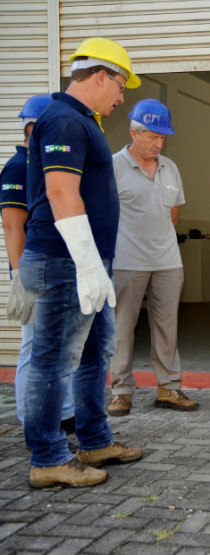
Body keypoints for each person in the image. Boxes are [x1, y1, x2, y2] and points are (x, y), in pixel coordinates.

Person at [19, 37, 144, 489]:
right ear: (100, 76)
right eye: (120, 86)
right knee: (54, 361)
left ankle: (94, 439)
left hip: (87, 262)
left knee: (94, 354)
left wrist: (97, 263)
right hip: (65, 260)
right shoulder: (64, 120)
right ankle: (49, 457)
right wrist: (88, 263)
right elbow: (60, 192)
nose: (121, 97)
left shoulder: (80, 121)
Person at [107, 99, 198, 417]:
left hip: (168, 262)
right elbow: (103, 215)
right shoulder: (113, 166)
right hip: (126, 261)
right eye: (152, 137)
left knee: (166, 326)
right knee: (122, 327)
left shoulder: (170, 167)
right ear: (134, 132)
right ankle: (120, 391)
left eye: (162, 138)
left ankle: (169, 388)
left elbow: (172, 215)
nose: (158, 143)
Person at [2, 94, 78, 434]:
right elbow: (12, 224)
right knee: (35, 347)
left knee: (58, 347)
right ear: (35, 128)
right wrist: (20, 277)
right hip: (33, 271)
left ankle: (62, 414)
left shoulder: (42, 165)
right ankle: (29, 418)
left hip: (55, 268)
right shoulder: (19, 168)